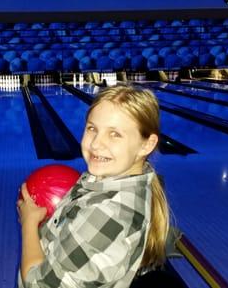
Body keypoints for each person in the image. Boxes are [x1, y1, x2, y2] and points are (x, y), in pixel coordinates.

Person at [17, 84, 170, 288]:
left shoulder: (108, 213)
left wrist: (29, 223)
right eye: (92, 129)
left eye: (114, 134)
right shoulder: (110, 180)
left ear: (147, 144)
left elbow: (37, 284)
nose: (96, 144)